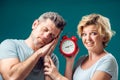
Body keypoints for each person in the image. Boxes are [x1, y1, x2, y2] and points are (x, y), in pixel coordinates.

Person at [44, 13, 118, 80]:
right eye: (84, 34)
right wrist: (70, 61)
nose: (88, 38)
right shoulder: (81, 60)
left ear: (104, 36)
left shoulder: (108, 61)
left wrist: (57, 76)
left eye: (93, 33)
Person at [0, 12, 66, 80]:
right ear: (35, 24)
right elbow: (11, 77)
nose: (46, 36)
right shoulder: (9, 45)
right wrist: (38, 53)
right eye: (45, 29)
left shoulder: (52, 59)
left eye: (52, 35)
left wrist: (47, 58)